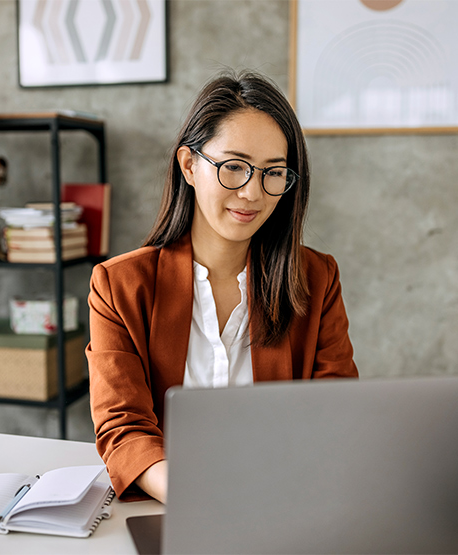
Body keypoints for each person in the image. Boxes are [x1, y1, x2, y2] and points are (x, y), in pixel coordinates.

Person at [86, 71, 358, 504]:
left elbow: (336, 416)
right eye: (234, 167)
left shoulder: (316, 280)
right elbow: (124, 428)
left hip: (286, 503)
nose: (252, 192)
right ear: (189, 166)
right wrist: (198, 498)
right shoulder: (120, 286)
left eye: (273, 173)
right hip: (174, 510)